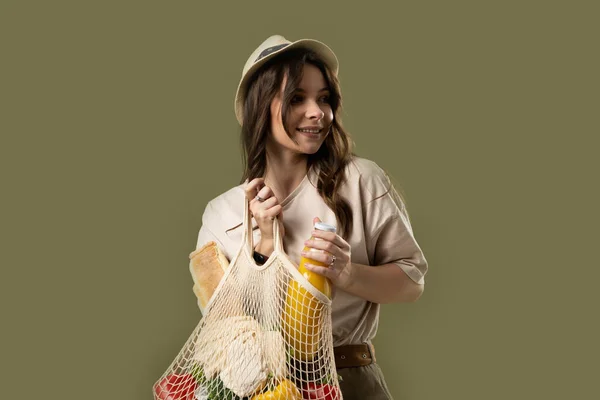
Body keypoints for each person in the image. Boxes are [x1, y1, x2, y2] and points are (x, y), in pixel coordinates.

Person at [194, 34, 428, 400]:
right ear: (261, 107)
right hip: (262, 391)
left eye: (324, 99)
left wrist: (347, 273)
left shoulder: (360, 181)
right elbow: (226, 329)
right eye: (297, 98)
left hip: (349, 381)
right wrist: (265, 251)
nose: (318, 113)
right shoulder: (221, 212)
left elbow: (413, 282)